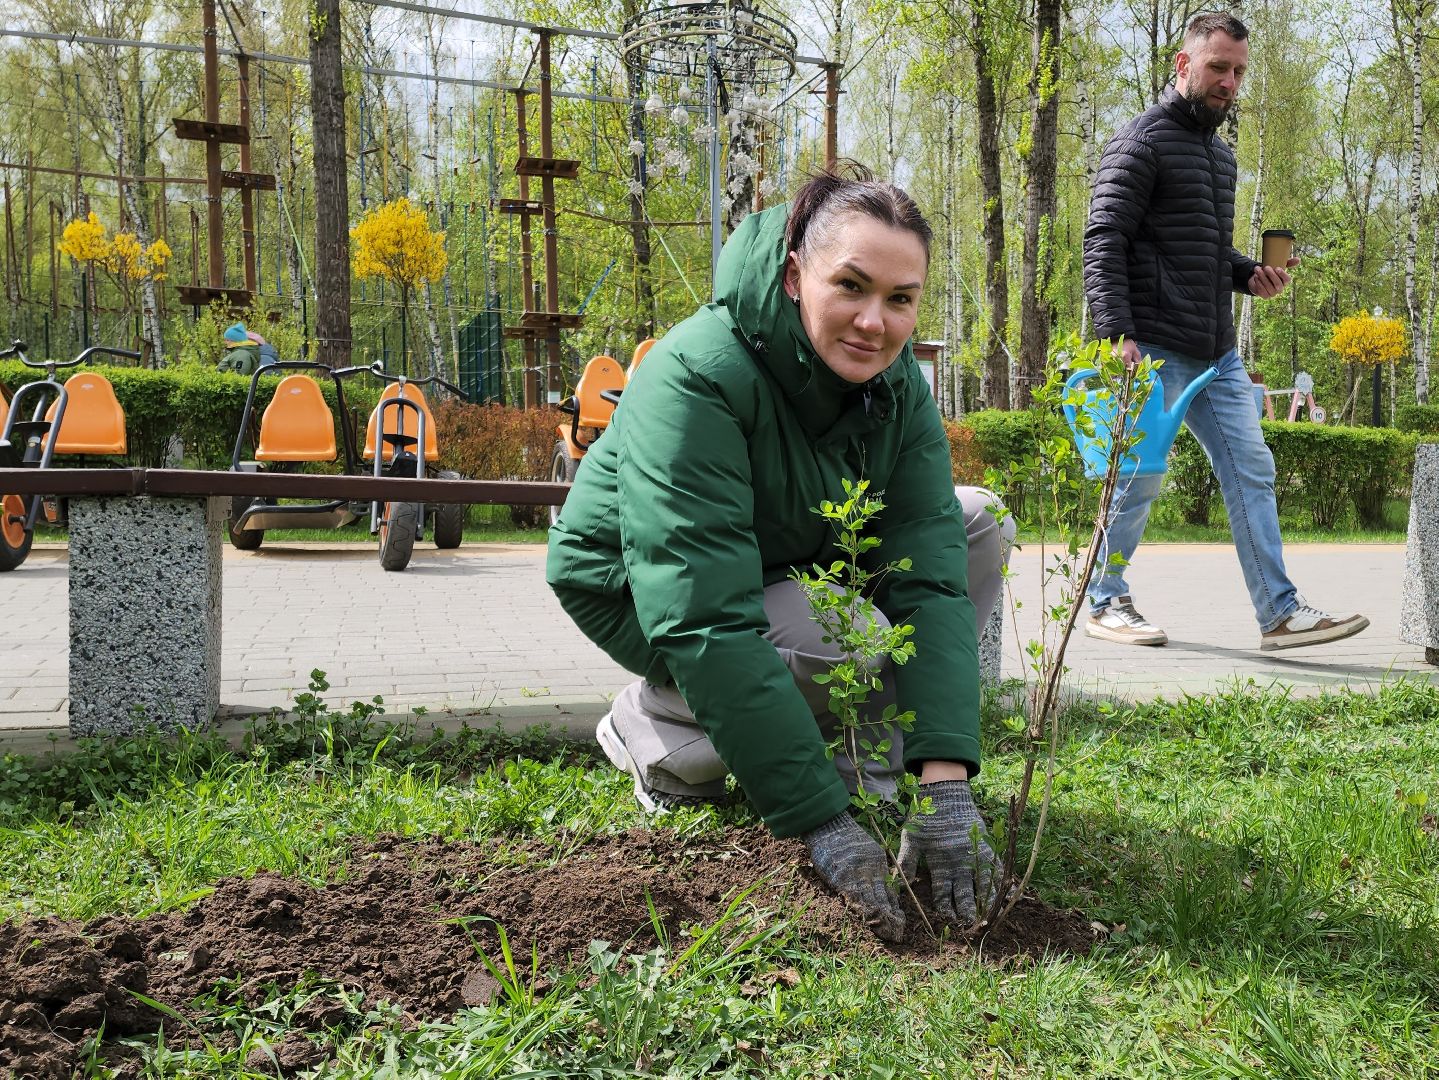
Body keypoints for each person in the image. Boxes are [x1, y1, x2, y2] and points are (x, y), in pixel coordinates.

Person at [547, 166, 1015, 941]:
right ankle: (658, 726)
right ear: (796, 275)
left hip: (789, 557)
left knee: (975, 521)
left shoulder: (895, 382)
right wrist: (819, 822)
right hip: (640, 587)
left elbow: (930, 573)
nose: (874, 322)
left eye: (899, 299)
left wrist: (945, 787)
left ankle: (861, 763)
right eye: (850, 287)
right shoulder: (697, 373)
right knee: (847, 638)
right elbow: (703, 612)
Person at [1082, 11, 1368, 651]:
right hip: (1152, 347)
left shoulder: (1219, 155)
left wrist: (1248, 275)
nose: (1229, 82)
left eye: (1238, 71)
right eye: (1218, 67)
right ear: (1183, 64)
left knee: (1253, 469)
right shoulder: (1141, 142)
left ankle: (1280, 614)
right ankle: (1104, 600)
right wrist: (1116, 333)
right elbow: (1104, 239)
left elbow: (1204, 252)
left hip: (1216, 353)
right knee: (1138, 477)